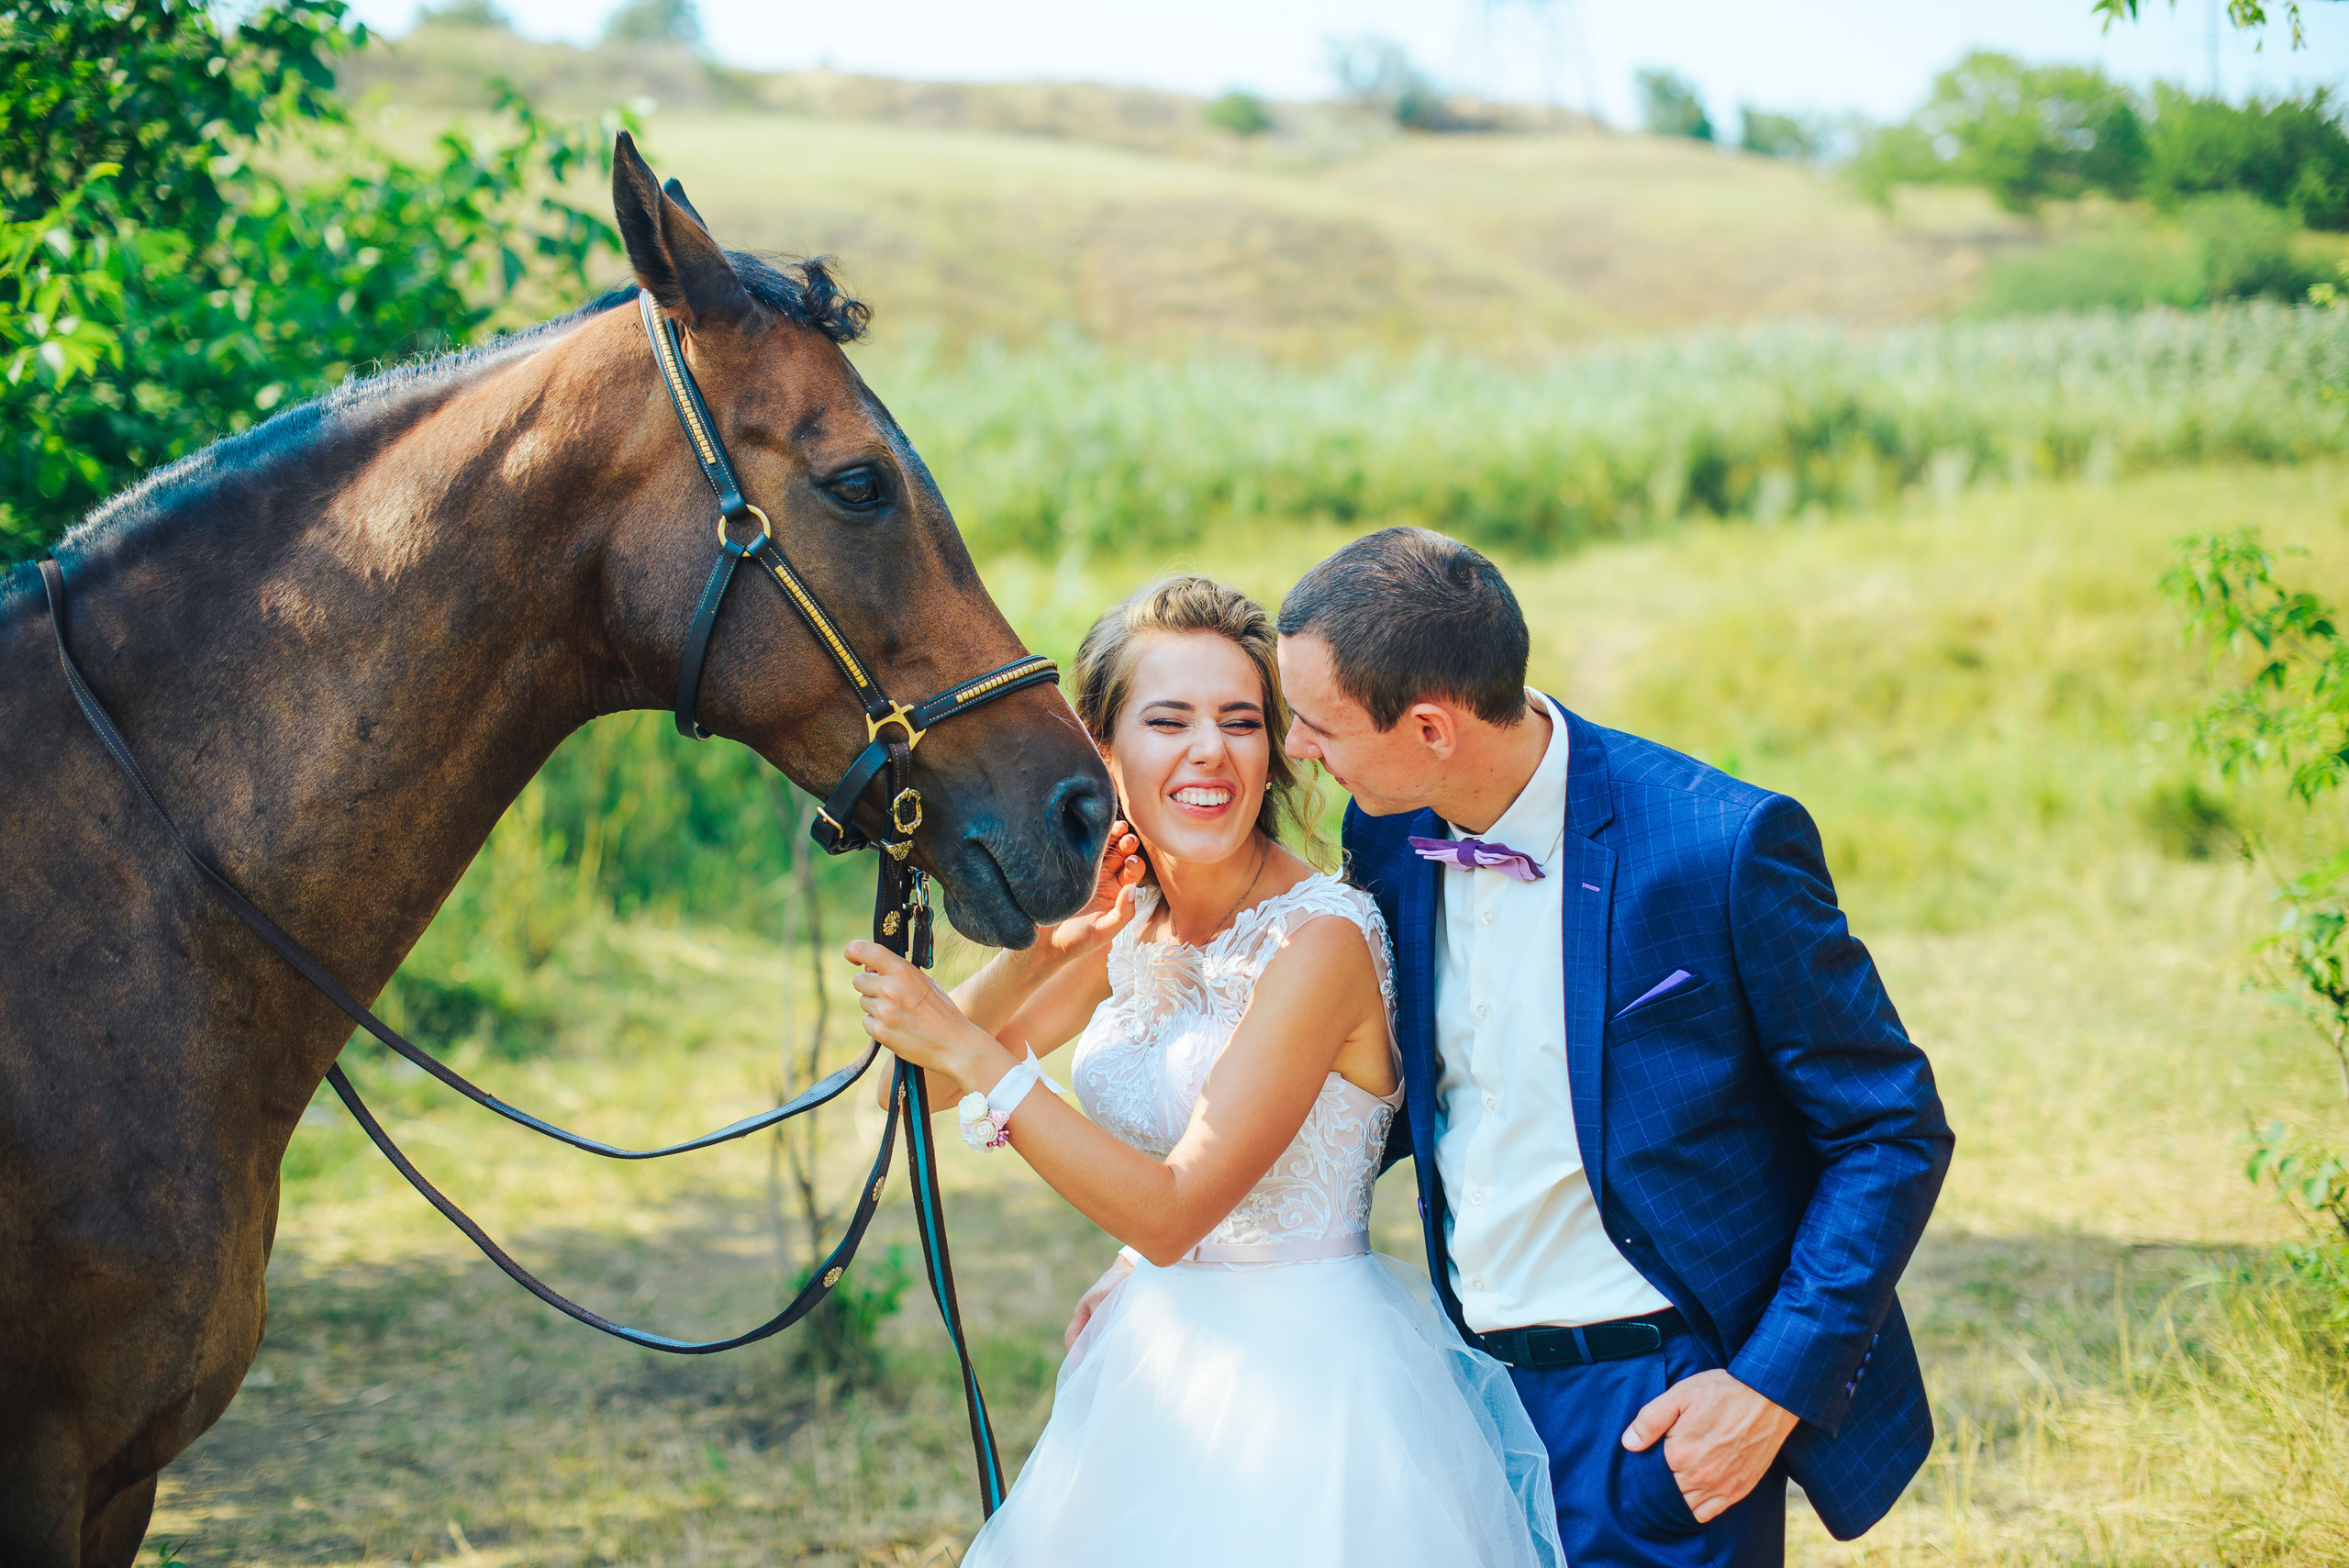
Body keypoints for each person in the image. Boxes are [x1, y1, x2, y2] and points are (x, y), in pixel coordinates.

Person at [1263, 526, 1956, 1568]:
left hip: (1658, 1407)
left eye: (1316, 724)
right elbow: (1377, 1096)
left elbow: (1889, 1129)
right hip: (1462, 1402)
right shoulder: (1389, 839)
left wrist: (1770, 1385)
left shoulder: (1718, 846)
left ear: (1430, 728)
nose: (1298, 748)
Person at [847, 576, 1564, 1568]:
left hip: (1309, 1390)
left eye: (1239, 720)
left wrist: (979, 1055)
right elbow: (906, 1088)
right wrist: (1038, 951)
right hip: (1157, 1366)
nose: (1209, 751)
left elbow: (1172, 1209)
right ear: (1103, 750)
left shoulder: (1320, 939)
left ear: (1272, 747)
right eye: (1168, 718)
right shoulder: (1129, 921)